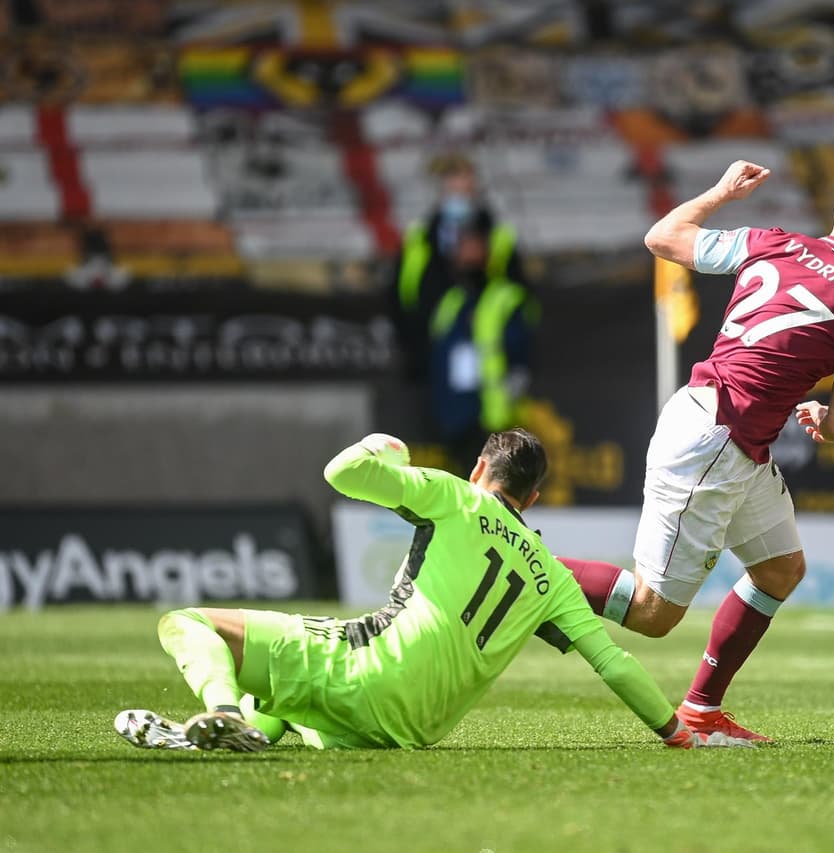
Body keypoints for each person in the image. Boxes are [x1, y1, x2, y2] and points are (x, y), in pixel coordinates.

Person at [562, 161, 834, 742]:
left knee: (780, 568)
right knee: (653, 613)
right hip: (717, 440)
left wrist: (722, 193)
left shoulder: (770, 242)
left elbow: (661, 238)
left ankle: (702, 711)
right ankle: (519, 571)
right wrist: (822, 418)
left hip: (722, 430)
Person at [114, 429, 752, 752]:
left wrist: (384, 446)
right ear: (532, 500)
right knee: (289, 692)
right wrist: (676, 734)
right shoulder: (550, 575)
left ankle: (223, 713)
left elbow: (343, 472)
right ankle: (229, 737)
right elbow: (615, 663)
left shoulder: (455, 495)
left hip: (365, 671)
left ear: (480, 470)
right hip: (410, 726)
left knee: (190, 623)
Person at [390, 154, 525, 383]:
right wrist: (416, 345)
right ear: (441, 192)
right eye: (453, 190)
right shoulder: (418, 239)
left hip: (491, 351)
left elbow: (517, 295)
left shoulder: (499, 237)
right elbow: (402, 297)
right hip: (434, 351)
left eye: (466, 190)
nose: (459, 198)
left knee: (504, 417)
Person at [429, 217, 538, 474]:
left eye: (474, 247)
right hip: (455, 414)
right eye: (462, 248)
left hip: (493, 417)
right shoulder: (452, 301)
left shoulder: (507, 297)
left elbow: (521, 354)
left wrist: (512, 396)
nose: (467, 255)